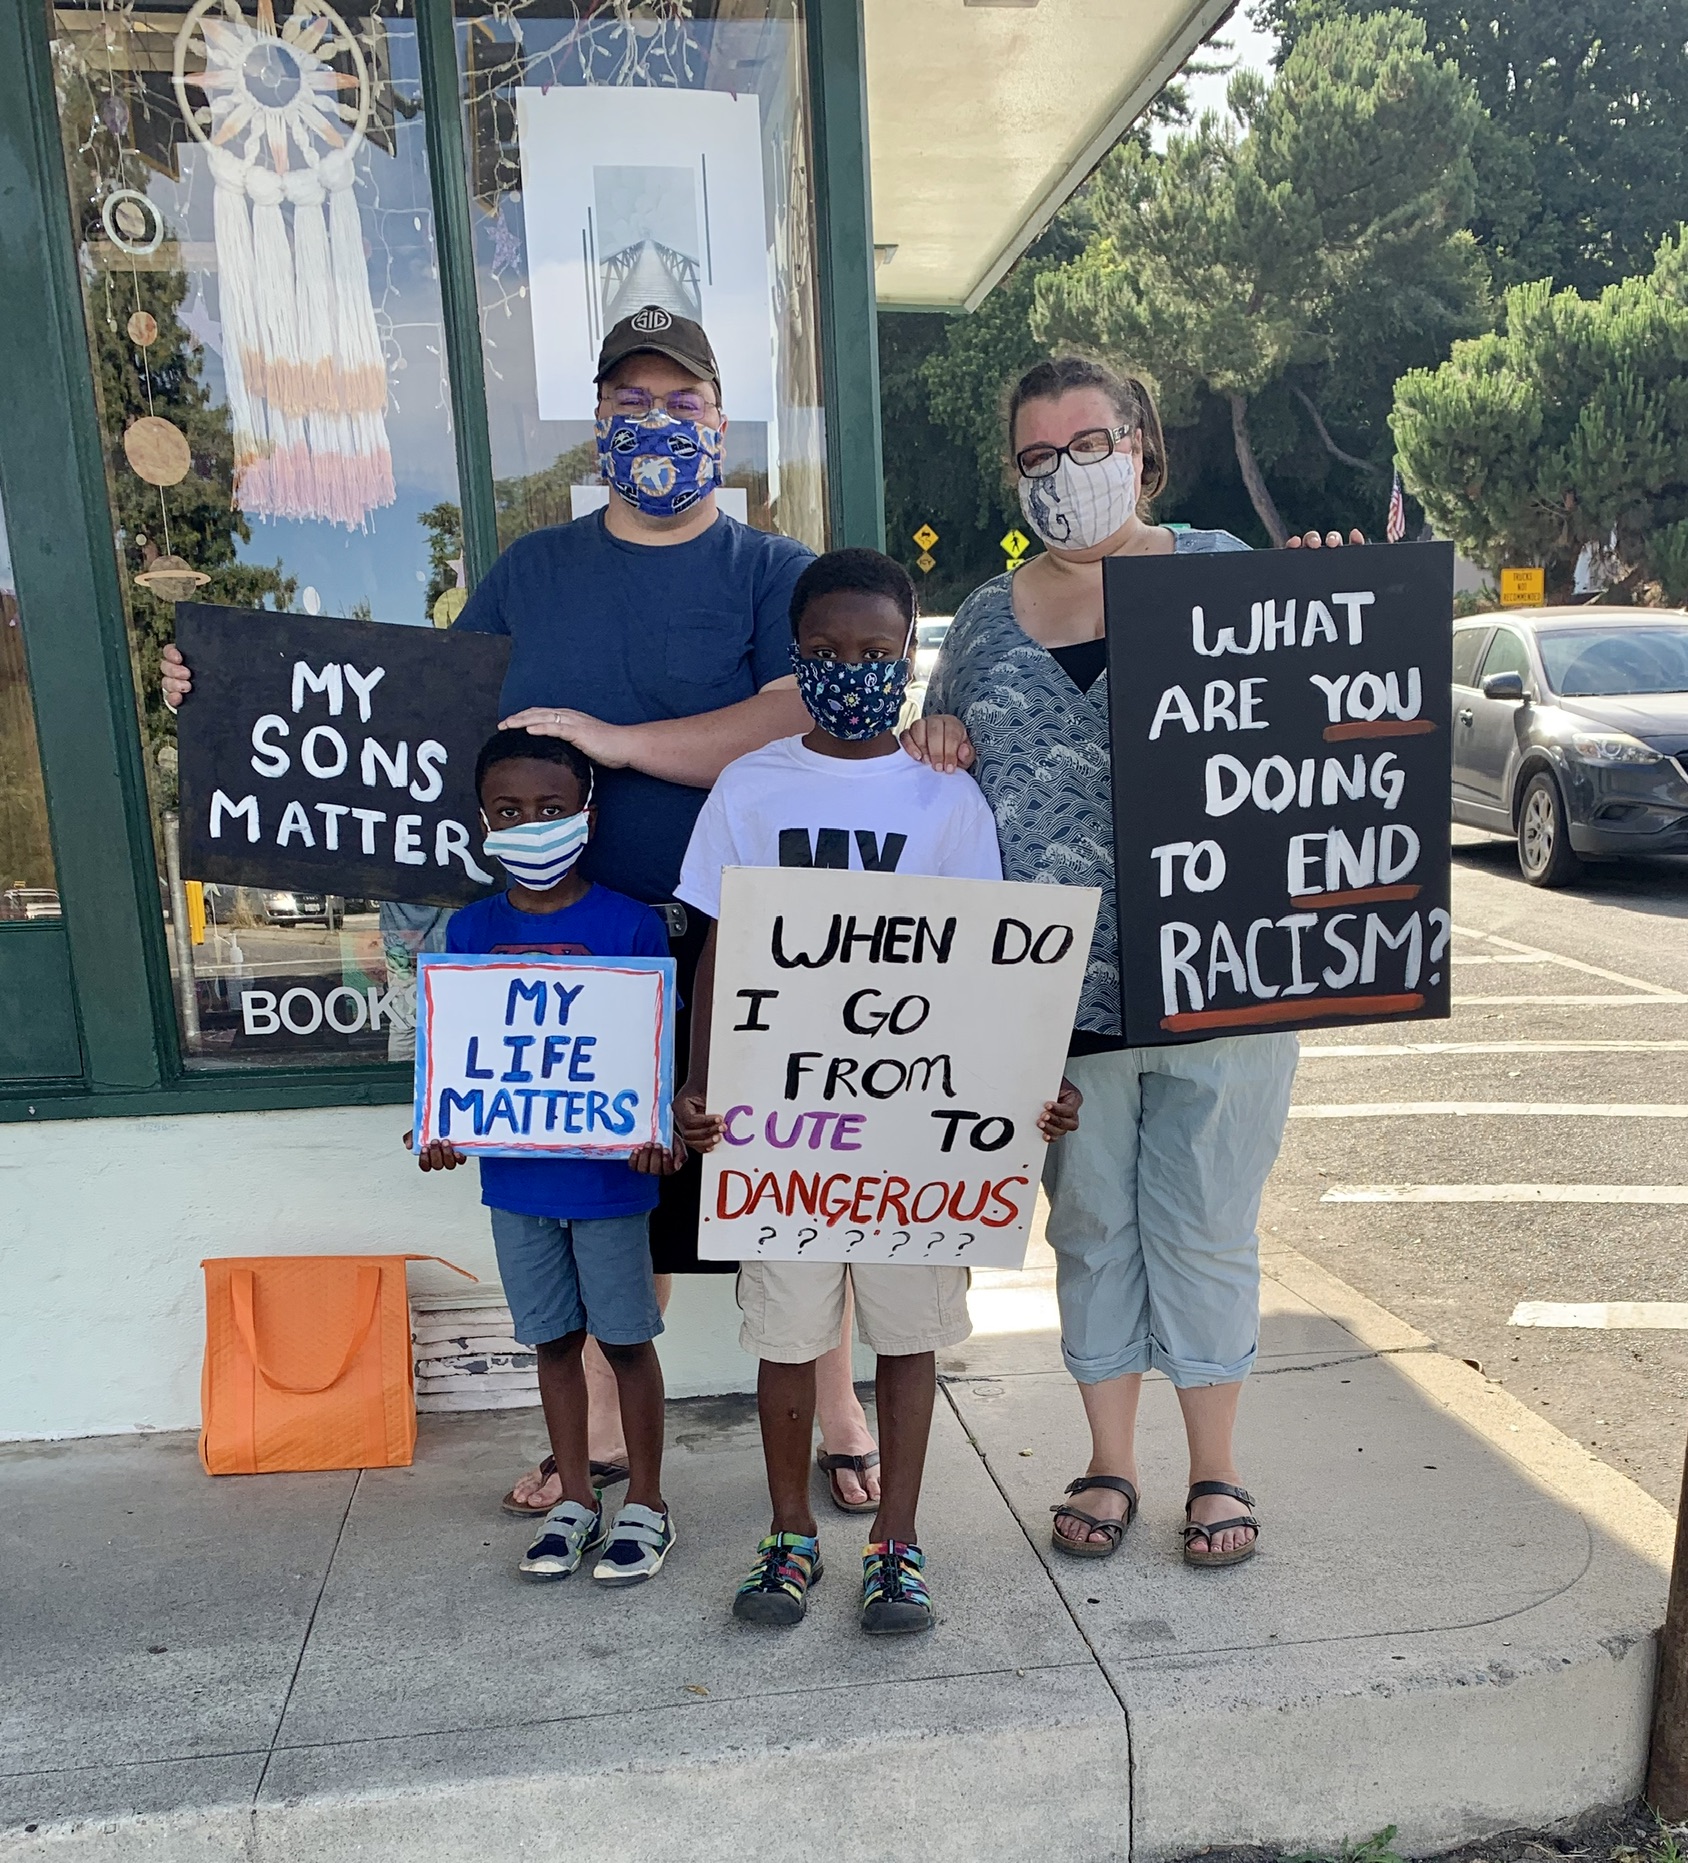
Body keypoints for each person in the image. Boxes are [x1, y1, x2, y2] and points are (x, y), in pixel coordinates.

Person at [163, 306, 884, 1517]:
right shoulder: (528, 571)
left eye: (681, 404)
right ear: (596, 420)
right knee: (601, 1172)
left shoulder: (774, 571)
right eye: (629, 404)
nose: (656, 425)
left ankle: (840, 1403)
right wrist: (224, 693)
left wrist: (614, 741)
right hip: (567, 933)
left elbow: (787, 719)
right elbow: (417, 712)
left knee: (785, 1173)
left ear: (720, 418)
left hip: (743, 925)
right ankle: (597, 1425)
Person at [905, 356, 1361, 1569]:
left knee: (1206, 1219)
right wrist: (934, 736)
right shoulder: (988, 623)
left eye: (1087, 444)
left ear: (1141, 447)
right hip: (1055, 994)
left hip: (1223, 974)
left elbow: (1330, 725)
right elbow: (941, 772)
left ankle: (1216, 1467)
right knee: (1092, 1222)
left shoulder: (1227, 578)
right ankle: (1110, 1459)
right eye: (1037, 457)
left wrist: (1336, 601)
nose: (1064, 472)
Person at [672, 548, 1082, 1634]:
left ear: (909, 659)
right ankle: (786, 1533)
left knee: (908, 1338)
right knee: (784, 1335)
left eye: (876, 653)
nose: (849, 668)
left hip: (917, 1131)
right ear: (792, 659)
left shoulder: (944, 796)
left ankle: (897, 1542)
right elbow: (717, 946)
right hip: (781, 1120)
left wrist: (1023, 1086)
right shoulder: (750, 786)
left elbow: (994, 960)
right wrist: (697, 1080)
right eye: (824, 653)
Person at [407, 729, 676, 1584]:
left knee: (626, 1341)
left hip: (609, 1184)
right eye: (510, 812)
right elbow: (455, 1049)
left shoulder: (631, 924)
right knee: (552, 1341)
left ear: (586, 817)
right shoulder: (470, 927)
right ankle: (575, 1499)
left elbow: (655, 1053)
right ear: (483, 821)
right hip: (515, 1182)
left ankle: (649, 1503)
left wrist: (657, 1127)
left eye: (551, 810)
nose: (532, 825)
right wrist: (441, 1124)